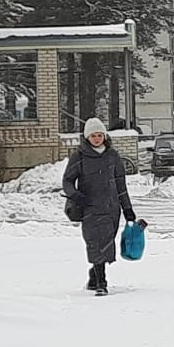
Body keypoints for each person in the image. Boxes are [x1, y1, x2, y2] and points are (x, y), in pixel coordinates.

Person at [62, 117, 137, 295]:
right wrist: (76, 196)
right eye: (93, 135)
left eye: (99, 135)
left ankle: (94, 275)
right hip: (90, 207)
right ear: (87, 137)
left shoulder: (113, 156)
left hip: (111, 208)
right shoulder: (79, 156)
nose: (97, 138)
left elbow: (121, 185)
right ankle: (101, 282)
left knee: (107, 242)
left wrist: (128, 210)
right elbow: (67, 181)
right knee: (95, 242)